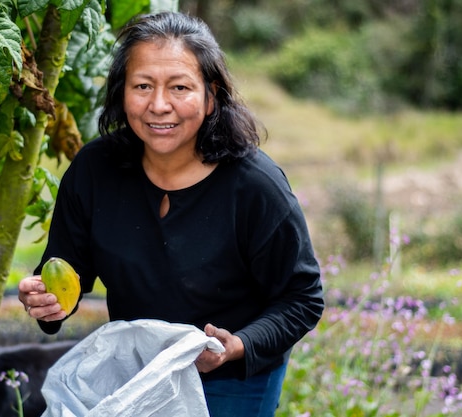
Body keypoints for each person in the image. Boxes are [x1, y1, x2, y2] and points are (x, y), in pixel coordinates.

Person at [18, 11, 324, 417]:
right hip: (138, 374)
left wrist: (239, 345)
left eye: (179, 87)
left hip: (232, 383)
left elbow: (302, 297)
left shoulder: (255, 186)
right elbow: (64, 273)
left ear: (211, 94)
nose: (159, 106)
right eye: (142, 86)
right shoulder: (95, 170)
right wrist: (46, 303)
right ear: (121, 92)